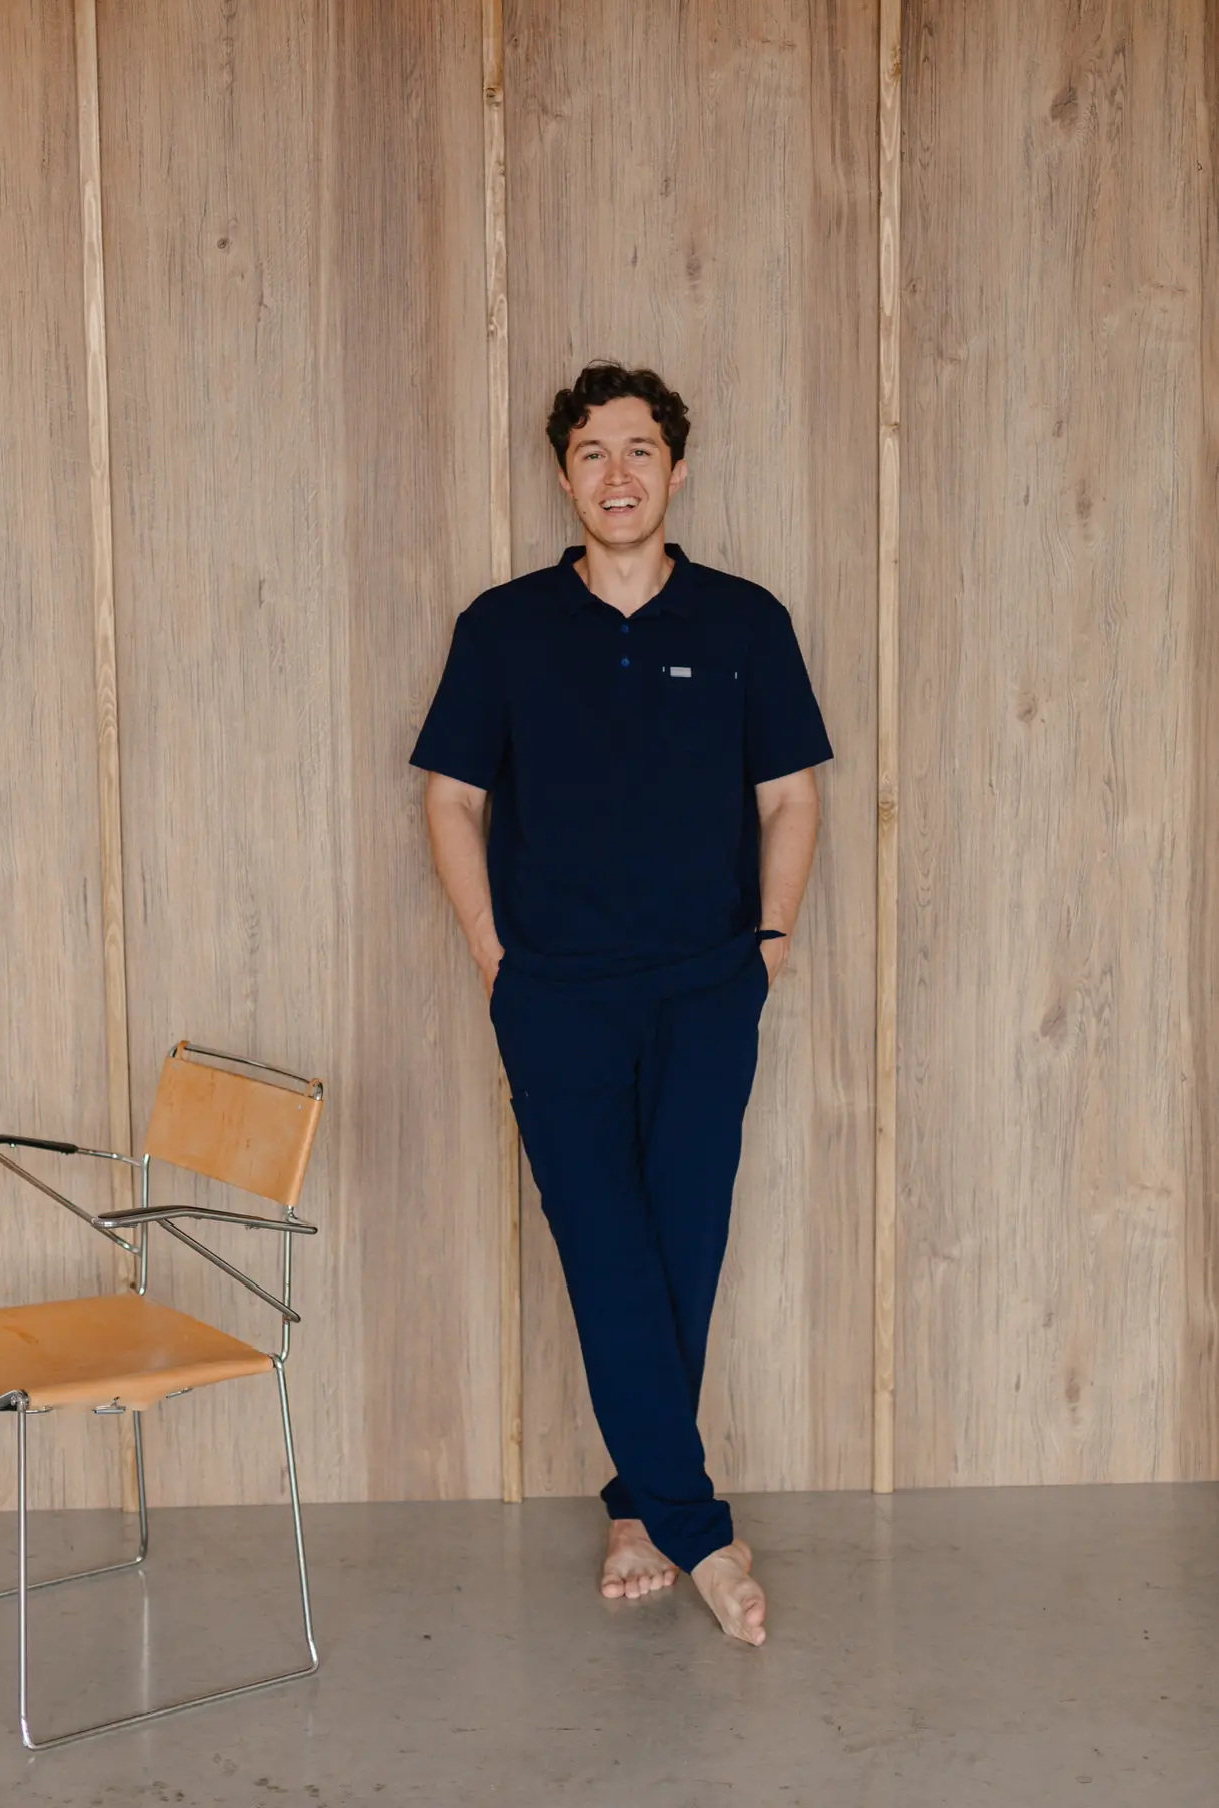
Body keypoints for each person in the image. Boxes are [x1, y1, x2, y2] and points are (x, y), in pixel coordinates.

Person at [410, 362, 832, 1646]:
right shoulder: (503, 627)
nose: (615, 474)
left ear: (676, 470)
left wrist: (766, 945)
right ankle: (700, 1534)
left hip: (706, 989)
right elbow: (448, 798)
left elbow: (791, 797)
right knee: (604, 1249)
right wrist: (490, 949)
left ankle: (640, 1508)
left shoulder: (744, 622)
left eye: (638, 449)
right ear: (562, 476)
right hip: (554, 998)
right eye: (590, 451)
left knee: (680, 1248)